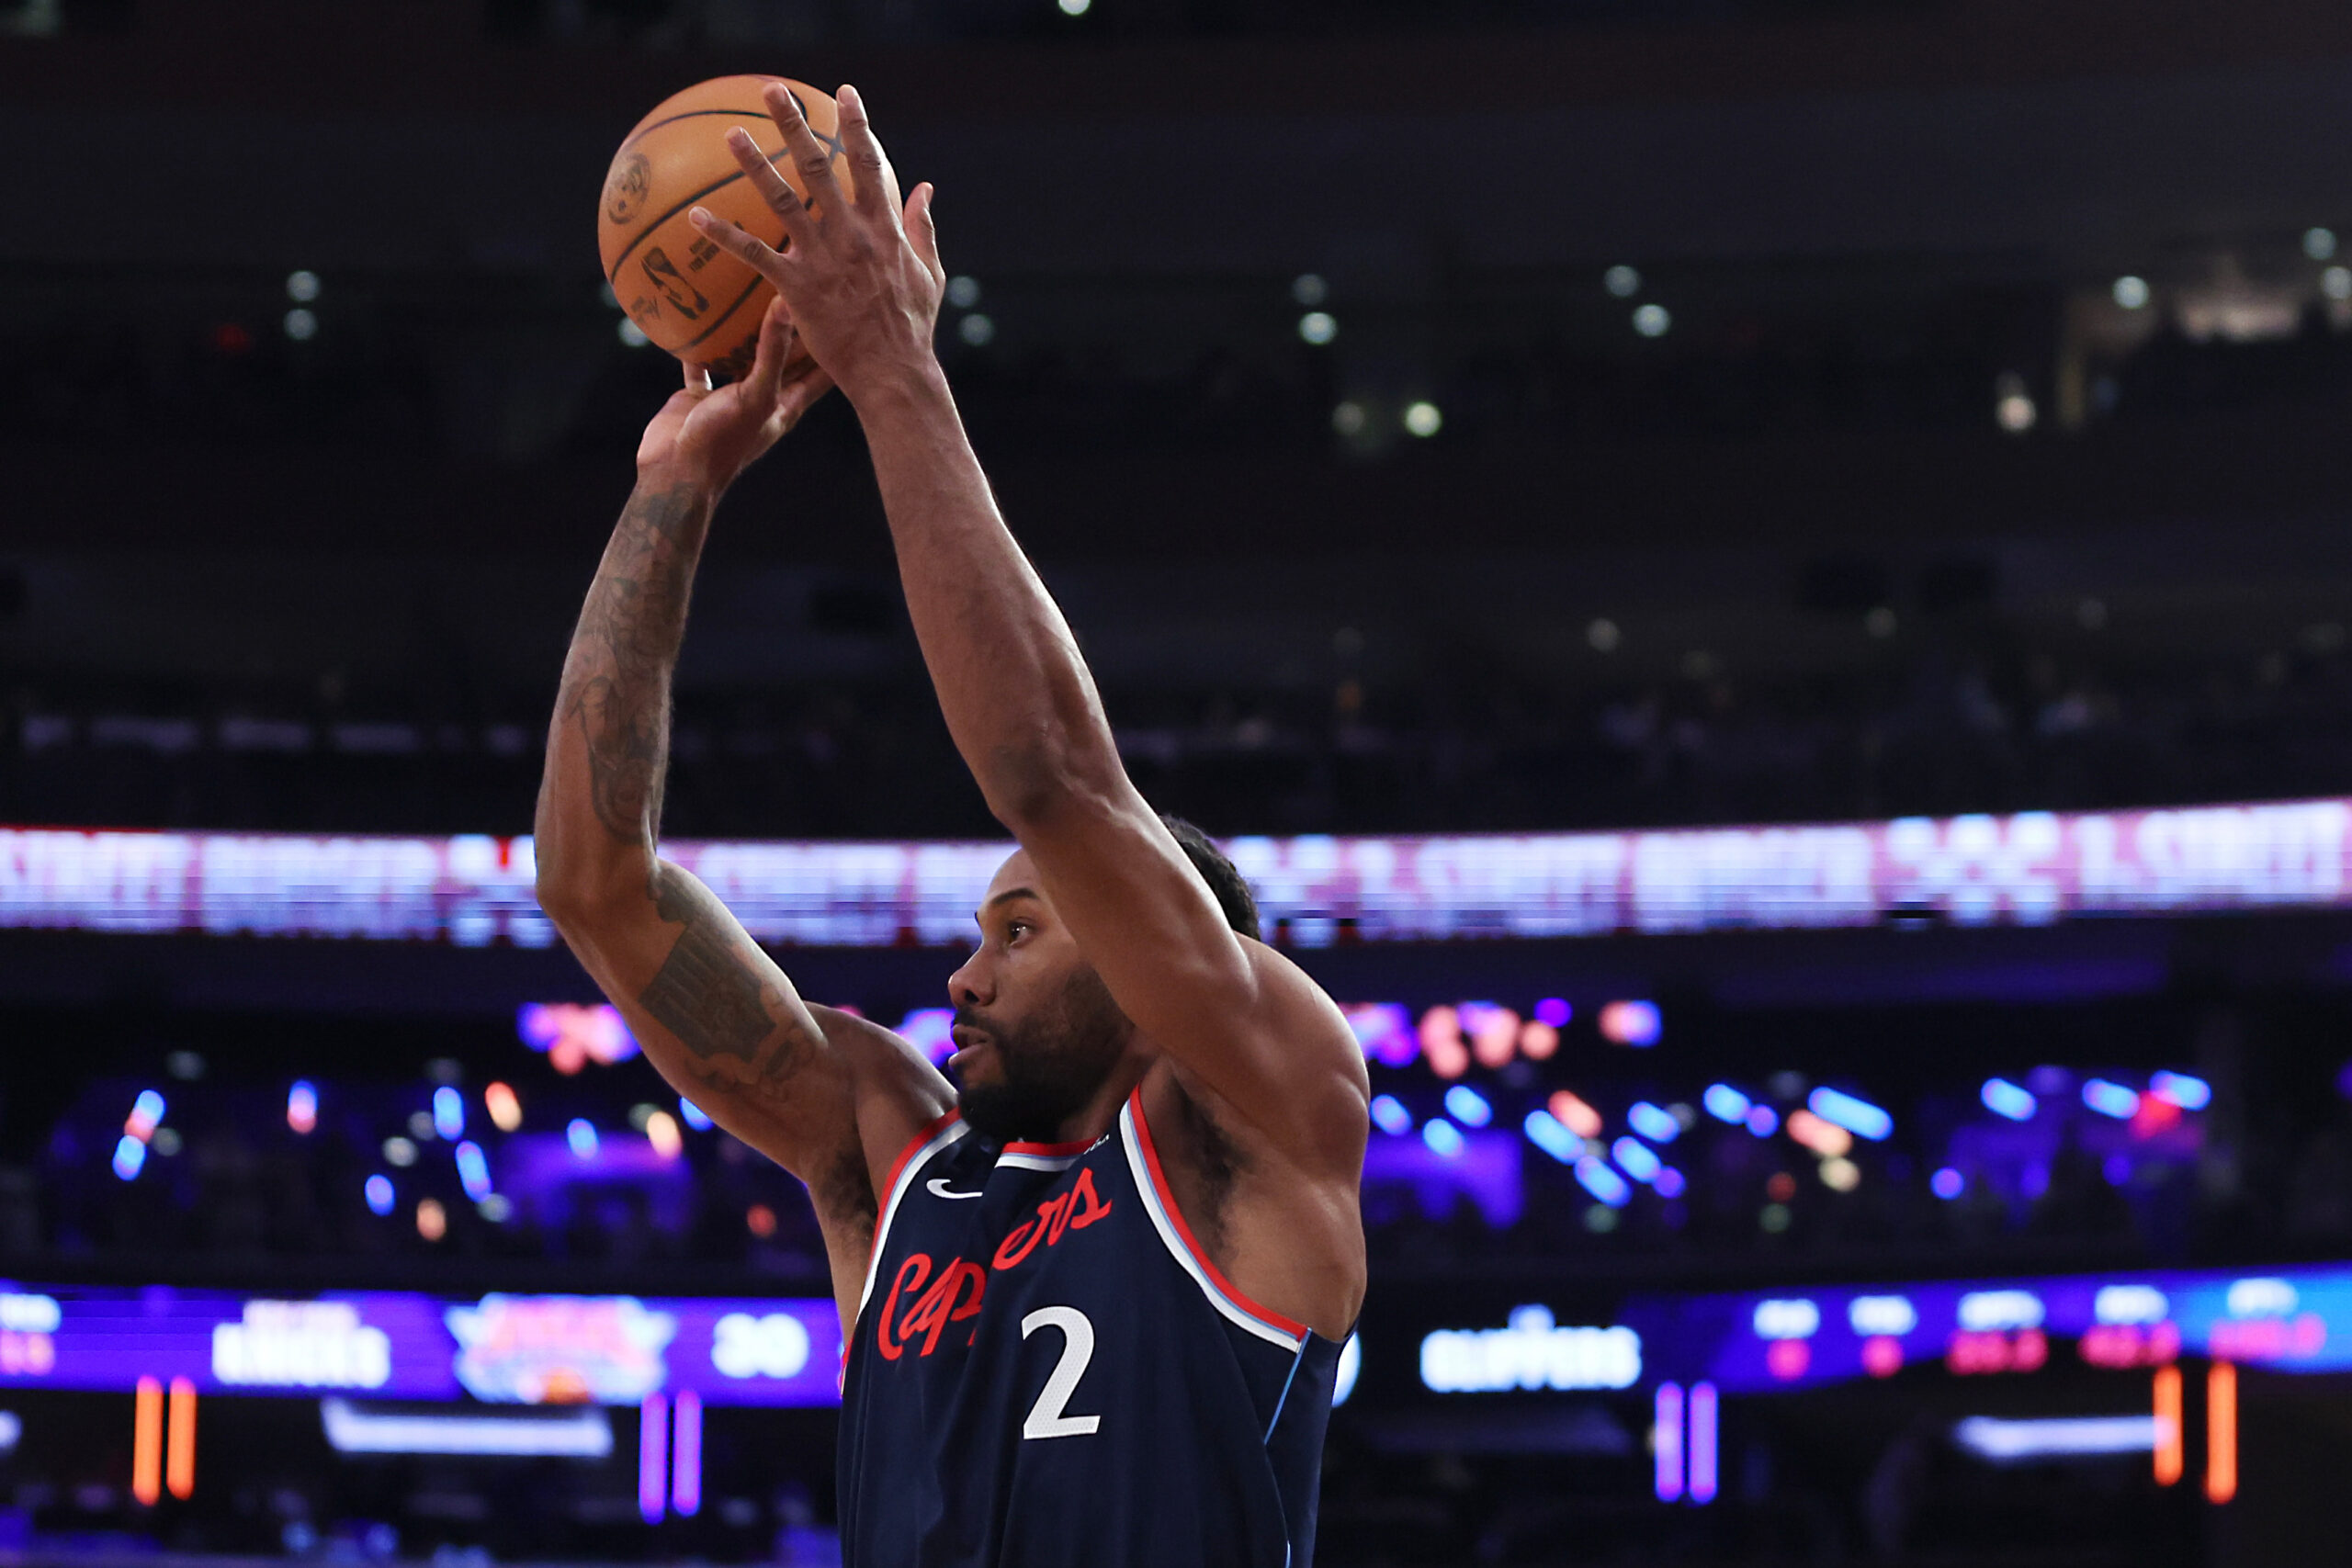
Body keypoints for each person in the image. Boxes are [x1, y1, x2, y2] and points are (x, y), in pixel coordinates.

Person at [534, 80, 1369, 1568]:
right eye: (982, 932)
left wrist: (892, 370)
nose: (962, 979)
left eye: (1025, 928)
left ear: (1151, 956)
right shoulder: (895, 1159)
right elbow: (595, 887)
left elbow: (1047, 774)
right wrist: (669, 495)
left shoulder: (1263, 1118)